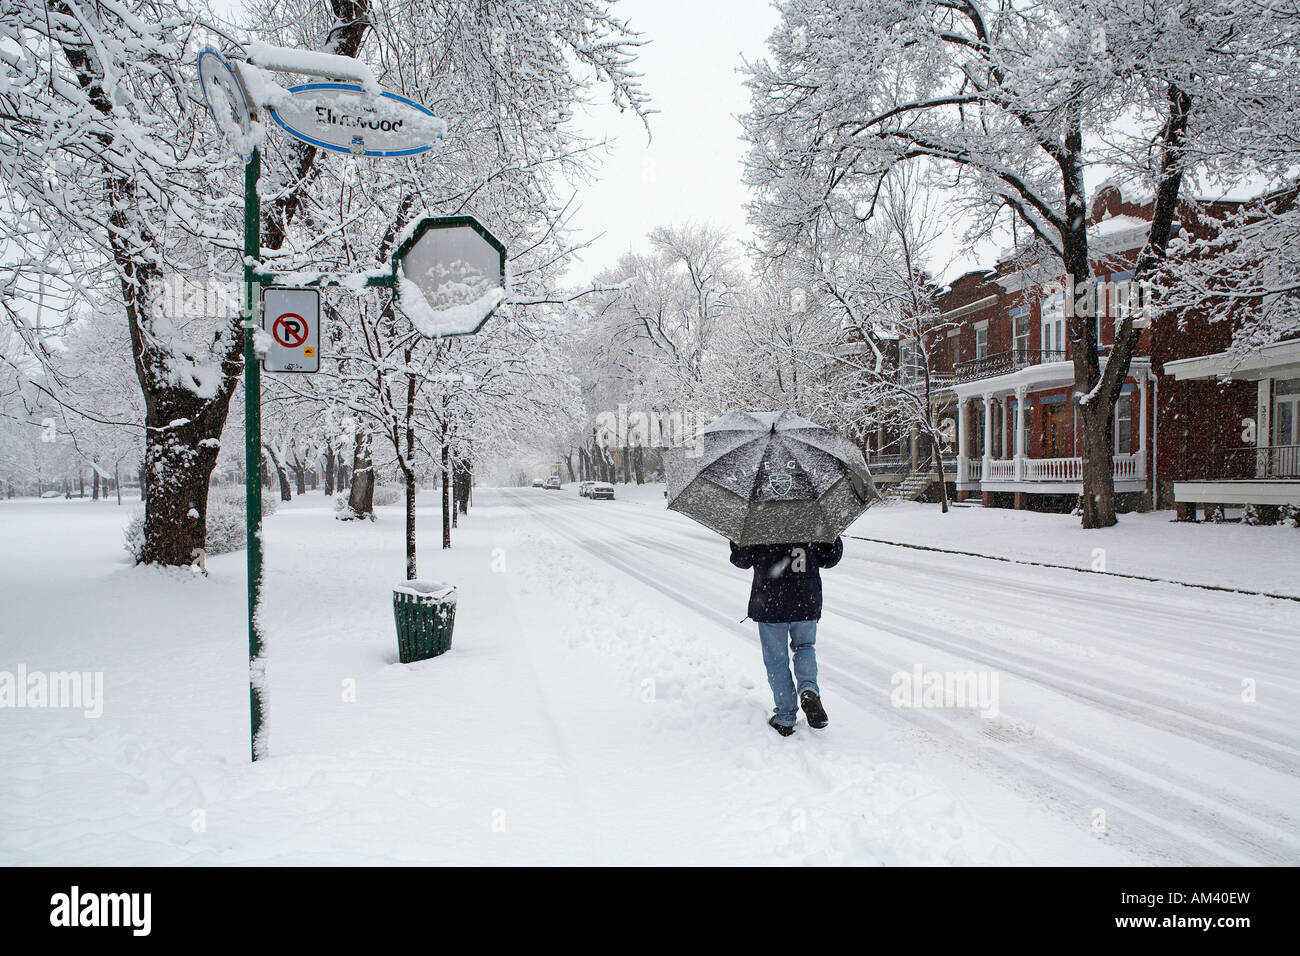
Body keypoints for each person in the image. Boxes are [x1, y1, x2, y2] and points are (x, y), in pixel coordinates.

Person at [729, 537, 843, 736]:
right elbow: (830, 558)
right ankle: (809, 691)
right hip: (806, 600)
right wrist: (833, 537)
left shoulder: (758, 520)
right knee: (805, 647)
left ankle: (786, 716)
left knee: (776, 659)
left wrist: (738, 539)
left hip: (770, 601)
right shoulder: (811, 515)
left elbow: (741, 560)